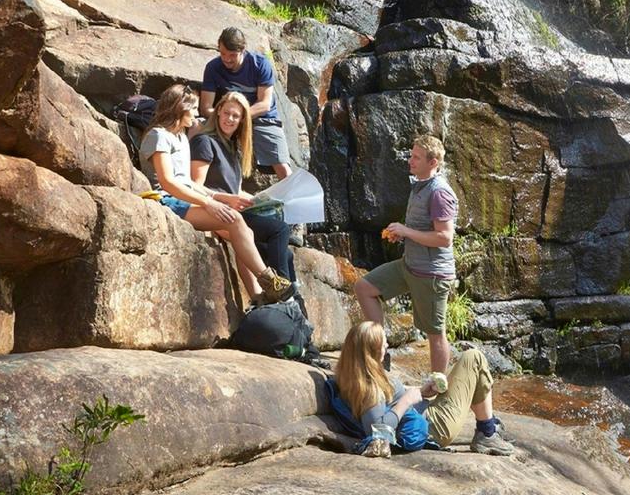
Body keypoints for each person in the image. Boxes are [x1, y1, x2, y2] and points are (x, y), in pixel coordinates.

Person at [139, 83, 293, 305]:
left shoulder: (181, 137)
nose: (198, 113)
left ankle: (259, 298)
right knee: (234, 220)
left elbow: (190, 183)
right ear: (179, 108)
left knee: (244, 233)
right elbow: (168, 182)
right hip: (166, 201)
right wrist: (209, 204)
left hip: (185, 199)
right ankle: (271, 282)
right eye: (193, 108)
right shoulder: (158, 135)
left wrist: (221, 198)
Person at [354, 134, 457, 374]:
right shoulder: (420, 185)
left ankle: (436, 388)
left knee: (435, 333)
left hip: (431, 274)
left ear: (433, 163)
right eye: (411, 155)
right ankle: (379, 352)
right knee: (364, 288)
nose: (410, 160)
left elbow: (445, 238)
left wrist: (406, 231)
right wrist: (401, 234)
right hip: (409, 265)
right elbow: (424, 230)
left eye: (416, 157)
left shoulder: (440, 192)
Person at [335, 321, 514, 456]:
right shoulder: (368, 388)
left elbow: (388, 398)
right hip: (434, 427)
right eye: (383, 344)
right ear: (372, 352)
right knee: (474, 359)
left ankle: (487, 428)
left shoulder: (354, 373)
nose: (387, 346)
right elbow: (378, 431)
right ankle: (487, 433)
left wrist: (421, 392)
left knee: (465, 366)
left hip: (425, 413)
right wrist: (407, 401)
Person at [190, 91, 295, 282]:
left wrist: (262, 200)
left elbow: (234, 189)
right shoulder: (204, 142)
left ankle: (289, 301)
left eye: (236, 116)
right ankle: (281, 290)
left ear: (242, 121)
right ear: (219, 111)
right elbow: (194, 186)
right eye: (227, 113)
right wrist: (226, 199)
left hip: (234, 209)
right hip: (217, 212)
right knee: (279, 230)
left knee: (286, 254)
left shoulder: (233, 148)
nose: (230, 119)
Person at [199, 27, 291, 179]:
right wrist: (225, 117)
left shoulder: (260, 65)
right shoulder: (213, 68)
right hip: (226, 117)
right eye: (222, 54)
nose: (227, 59)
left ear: (243, 50)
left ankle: (292, 197)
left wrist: (240, 117)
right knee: (197, 128)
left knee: (283, 167)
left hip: (261, 118)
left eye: (232, 55)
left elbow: (264, 104)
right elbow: (205, 107)